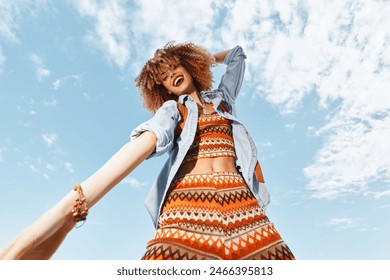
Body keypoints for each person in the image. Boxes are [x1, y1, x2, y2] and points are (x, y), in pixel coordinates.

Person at [0, 42, 294, 260]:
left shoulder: (222, 100)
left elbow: (236, 57)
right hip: (187, 206)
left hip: (245, 206)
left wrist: (204, 57)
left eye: (174, 67)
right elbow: (147, 140)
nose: (171, 75)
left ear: (188, 65)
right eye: (164, 76)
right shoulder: (173, 109)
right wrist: (72, 206)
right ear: (163, 88)